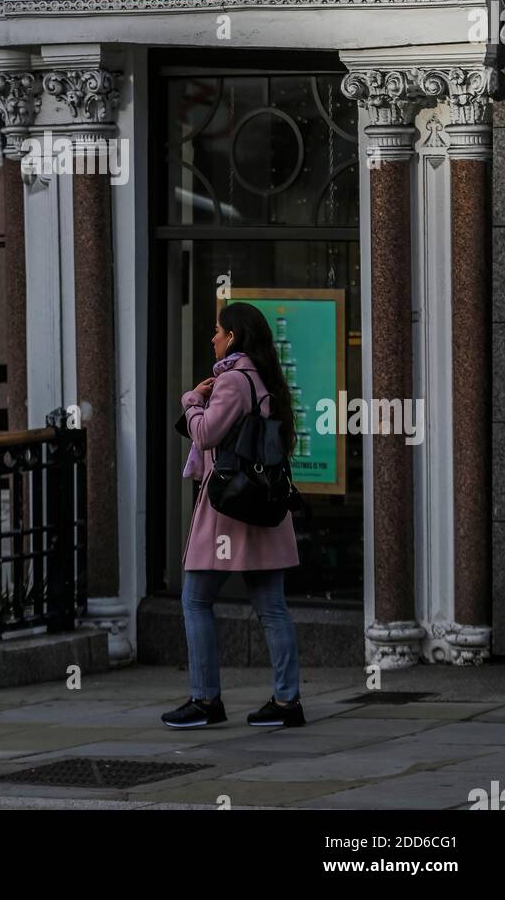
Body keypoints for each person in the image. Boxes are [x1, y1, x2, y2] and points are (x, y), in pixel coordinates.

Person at [161, 301, 305, 730]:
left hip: (230, 509)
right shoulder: (264, 381)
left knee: (195, 599)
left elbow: (205, 434)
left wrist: (191, 399)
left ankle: (205, 700)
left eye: (218, 330)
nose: (213, 337)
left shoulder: (232, 382)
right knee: (273, 608)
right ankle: (286, 701)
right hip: (263, 507)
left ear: (234, 337)